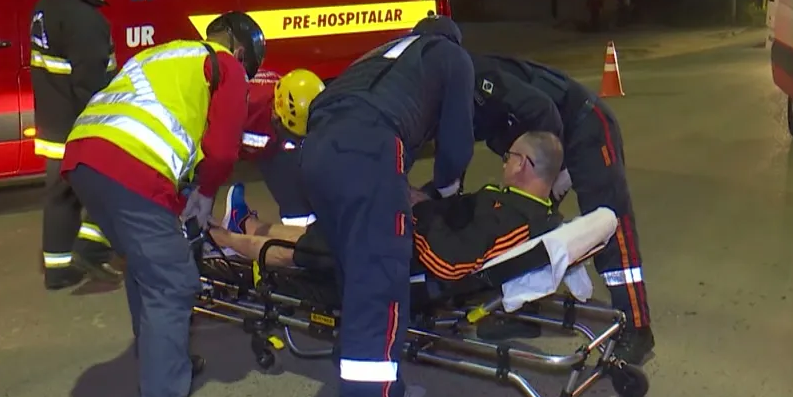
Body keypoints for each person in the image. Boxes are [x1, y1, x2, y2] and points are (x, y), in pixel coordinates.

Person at [60, 11, 266, 397]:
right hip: (131, 166)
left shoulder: (165, 54)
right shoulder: (225, 66)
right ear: (239, 51)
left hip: (86, 158)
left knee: (147, 270)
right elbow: (225, 148)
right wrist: (208, 193)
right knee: (173, 283)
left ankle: (163, 362)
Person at [299, 15, 476, 397]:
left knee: (353, 282)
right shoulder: (451, 55)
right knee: (378, 297)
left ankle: (383, 395)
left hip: (317, 147)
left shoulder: (384, 52)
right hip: (369, 149)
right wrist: (441, 191)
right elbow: (457, 143)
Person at [467, 53, 655, 364]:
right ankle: (522, 308)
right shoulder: (446, 98)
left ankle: (637, 327)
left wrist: (546, 174)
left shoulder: (479, 78)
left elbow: (544, 112)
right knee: (518, 220)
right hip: (539, 146)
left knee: (609, 221)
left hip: (583, 127)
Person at [211, 132, 565, 283]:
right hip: (407, 233)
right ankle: (246, 226)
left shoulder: (519, 219)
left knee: (299, 249)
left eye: (509, 157)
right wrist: (421, 201)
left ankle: (219, 239)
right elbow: (462, 221)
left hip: (398, 251)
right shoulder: (519, 205)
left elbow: (452, 261)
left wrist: (414, 216)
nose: (504, 163)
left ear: (524, 165)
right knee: (322, 230)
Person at [30, 0, 124, 291]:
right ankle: (92, 249)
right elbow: (91, 84)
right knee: (114, 186)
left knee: (61, 196)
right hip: (82, 127)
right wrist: (108, 128)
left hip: (53, 126)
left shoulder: (45, 7)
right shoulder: (86, 20)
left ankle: (57, 268)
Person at [224, 69, 326, 232]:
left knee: (301, 211)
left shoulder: (293, 96)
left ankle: (241, 224)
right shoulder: (238, 105)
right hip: (210, 139)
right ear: (275, 113)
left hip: (268, 145)